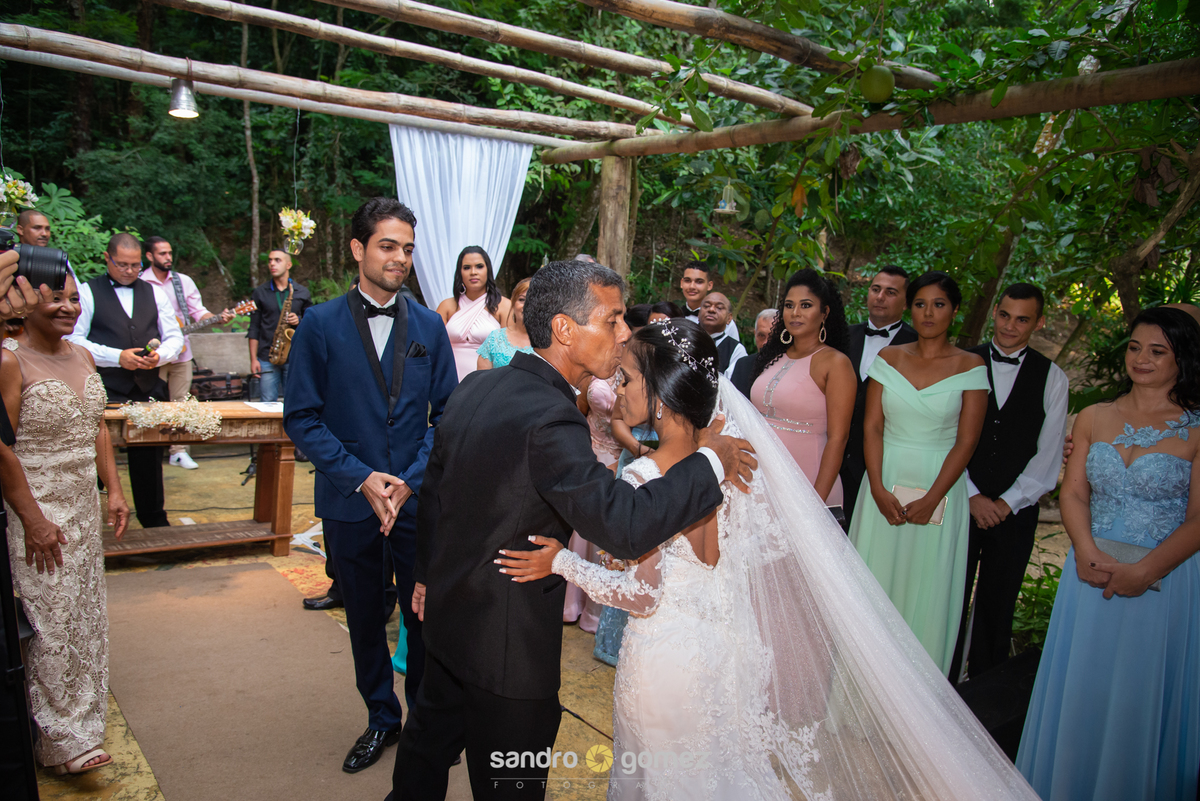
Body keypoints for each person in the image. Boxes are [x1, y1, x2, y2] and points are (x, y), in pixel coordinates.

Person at [500, 320, 1043, 801]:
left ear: (661, 396)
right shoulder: (729, 464)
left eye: (628, 380)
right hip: (722, 654)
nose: (616, 390)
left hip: (665, 661)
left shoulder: (646, 478)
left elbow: (643, 596)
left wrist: (563, 563)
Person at [389, 259, 755, 801]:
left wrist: (425, 575)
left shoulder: (475, 388)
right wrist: (710, 462)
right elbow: (623, 525)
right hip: (507, 651)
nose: (624, 333)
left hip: (449, 624)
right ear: (564, 329)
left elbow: (436, 496)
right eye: (612, 319)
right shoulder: (552, 417)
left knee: (423, 759)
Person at [284, 197, 458, 774]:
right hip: (348, 502)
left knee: (424, 618)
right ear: (358, 249)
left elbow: (448, 417)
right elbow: (301, 417)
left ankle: (424, 722)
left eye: (408, 248)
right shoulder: (318, 324)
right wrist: (360, 477)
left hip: (416, 502)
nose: (400, 258)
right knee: (363, 618)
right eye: (388, 246)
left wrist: (409, 480)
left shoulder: (430, 326)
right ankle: (382, 717)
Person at [1017, 307, 1200, 801]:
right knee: (1082, 686)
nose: (1141, 358)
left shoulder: (1197, 430)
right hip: (1088, 570)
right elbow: (1075, 493)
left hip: (1164, 579)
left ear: (1182, 358)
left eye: (1158, 351)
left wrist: (1146, 570)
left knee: (1140, 694)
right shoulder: (1095, 416)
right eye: (1135, 347)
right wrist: (1083, 550)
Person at [0, 270, 131, 774]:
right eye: (54, 297)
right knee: (50, 619)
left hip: (82, 504)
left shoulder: (80, 355)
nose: (68, 307)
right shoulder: (9, 360)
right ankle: (60, 741)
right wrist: (32, 518)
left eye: (74, 298)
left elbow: (96, 426)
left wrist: (113, 489)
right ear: (24, 299)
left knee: (84, 613)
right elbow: (1, 447)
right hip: (36, 507)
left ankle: (83, 722)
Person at [848, 271, 988, 675]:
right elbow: (872, 427)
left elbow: (967, 442)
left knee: (927, 583)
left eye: (939, 304)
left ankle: (919, 689)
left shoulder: (971, 366)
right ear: (910, 309)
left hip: (940, 485)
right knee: (874, 581)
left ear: (955, 311)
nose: (928, 313)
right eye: (921, 304)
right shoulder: (889, 358)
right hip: (883, 480)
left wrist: (933, 497)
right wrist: (876, 487)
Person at [947, 284, 1069, 682]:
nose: (1010, 326)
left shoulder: (1052, 378)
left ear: (1039, 322)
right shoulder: (962, 363)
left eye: (1022, 319)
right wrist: (971, 495)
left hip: (1015, 513)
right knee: (948, 598)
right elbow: (943, 434)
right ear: (995, 312)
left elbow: (1049, 451)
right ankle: (939, 684)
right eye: (1004, 315)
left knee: (998, 605)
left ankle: (984, 694)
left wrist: (1007, 502)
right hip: (959, 501)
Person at [68, 233, 183, 530]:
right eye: (122, 265)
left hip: (147, 386)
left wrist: (160, 356)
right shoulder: (87, 291)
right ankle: (92, 521)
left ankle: (153, 520)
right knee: (95, 454)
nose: (129, 271)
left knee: (148, 457)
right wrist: (116, 357)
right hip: (104, 387)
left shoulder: (154, 293)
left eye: (135, 265)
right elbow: (74, 339)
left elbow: (174, 337)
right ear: (107, 258)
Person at [751, 269, 855, 508]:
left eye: (805, 305)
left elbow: (838, 439)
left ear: (824, 312)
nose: (795, 313)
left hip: (809, 482)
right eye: (789, 305)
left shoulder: (836, 363)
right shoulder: (774, 357)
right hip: (762, 481)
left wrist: (815, 504)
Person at [139, 236, 233, 470]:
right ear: (149, 256)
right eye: (162, 253)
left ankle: (178, 451)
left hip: (182, 352)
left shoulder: (183, 281)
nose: (168, 257)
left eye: (170, 253)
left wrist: (216, 318)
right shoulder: (140, 282)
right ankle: (147, 448)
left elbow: (198, 311)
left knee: (181, 402)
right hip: (153, 353)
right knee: (152, 401)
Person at [841, 265, 919, 519]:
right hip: (836, 461)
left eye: (890, 292)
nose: (880, 296)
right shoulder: (843, 337)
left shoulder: (917, 345)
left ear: (906, 302)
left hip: (886, 468)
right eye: (876, 289)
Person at [247, 249, 312, 403]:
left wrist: (299, 320)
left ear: (288, 265)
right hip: (267, 356)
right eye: (270, 260)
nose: (272, 264)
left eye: (277, 260)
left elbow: (312, 323)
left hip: (294, 356)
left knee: (295, 402)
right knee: (267, 403)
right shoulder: (259, 293)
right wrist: (253, 359)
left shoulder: (302, 292)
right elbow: (254, 327)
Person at [437, 246, 510, 382]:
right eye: (466, 268)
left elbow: (510, 350)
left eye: (479, 266)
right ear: (460, 272)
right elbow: (434, 346)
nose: (473, 272)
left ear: (488, 270)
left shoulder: (504, 306)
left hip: (488, 382)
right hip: (449, 380)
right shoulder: (446, 306)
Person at [475, 278, 532, 370]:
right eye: (522, 299)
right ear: (513, 303)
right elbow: (482, 377)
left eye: (534, 300)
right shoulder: (495, 339)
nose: (527, 305)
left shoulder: (552, 340)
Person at [678, 259, 737, 338]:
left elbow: (732, 345)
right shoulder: (673, 315)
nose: (692, 286)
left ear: (709, 285)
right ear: (681, 283)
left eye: (699, 282)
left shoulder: (725, 321)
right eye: (687, 281)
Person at [729, 308, 778, 398]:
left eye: (773, 337)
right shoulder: (742, 365)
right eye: (761, 336)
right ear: (755, 334)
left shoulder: (792, 368)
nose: (766, 342)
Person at [698, 291, 747, 373]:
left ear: (729, 318)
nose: (711, 309)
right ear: (698, 314)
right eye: (707, 306)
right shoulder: (684, 338)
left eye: (719, 308)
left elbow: (735, 379)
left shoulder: (736, 349)